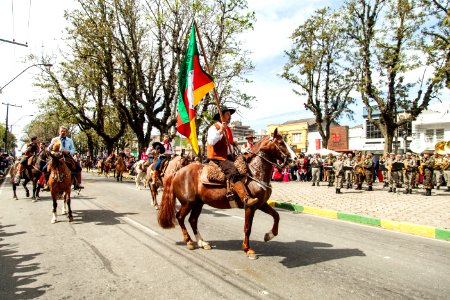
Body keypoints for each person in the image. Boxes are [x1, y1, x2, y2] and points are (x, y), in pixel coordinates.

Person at [207, 106, 258, 207]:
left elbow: (227, 143)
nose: (230, 117)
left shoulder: (228, 129)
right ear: (221, 116)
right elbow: (211, 141)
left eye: (230, 115)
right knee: (232, 170)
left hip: (229, 156)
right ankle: (245, 197)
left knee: (245, 165)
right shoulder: (214, 127)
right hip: (218, 157)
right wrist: (221, 130)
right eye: (228, 114)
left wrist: (233, 143)